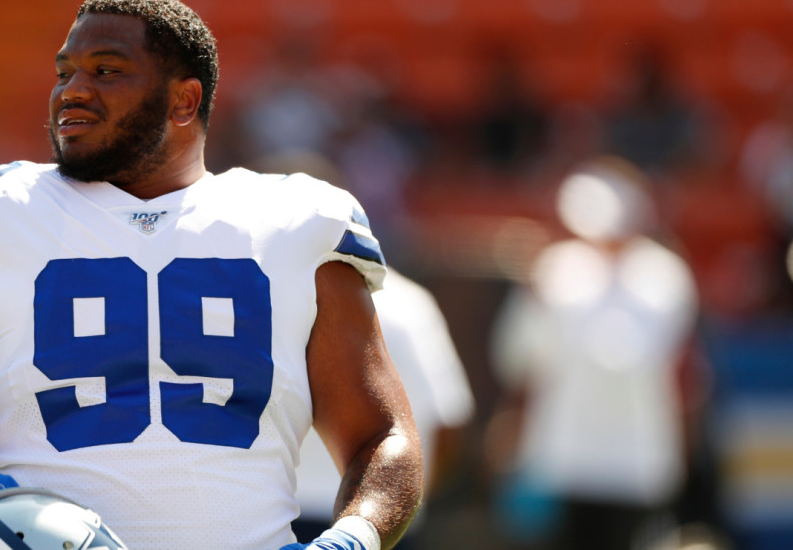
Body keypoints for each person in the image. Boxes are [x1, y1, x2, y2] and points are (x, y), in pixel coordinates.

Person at [0, 0, 423, 550]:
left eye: (107, 71)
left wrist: (354, 537)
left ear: (184, 100)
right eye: (65, 72)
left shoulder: (297, 224)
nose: (72, 91)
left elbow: (382, 436)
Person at [490, 156, 698, 550]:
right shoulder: (554, 268)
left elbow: (643, 356)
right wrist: (534, 300)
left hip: (638, 461)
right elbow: (518, 359)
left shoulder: (665, 274)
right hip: (564, 458)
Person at [295, 267, 474, 545]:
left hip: (283, 513)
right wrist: (405, 501)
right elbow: (447, 423)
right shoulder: (409, 305)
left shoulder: (274, 290)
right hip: (376, 525)